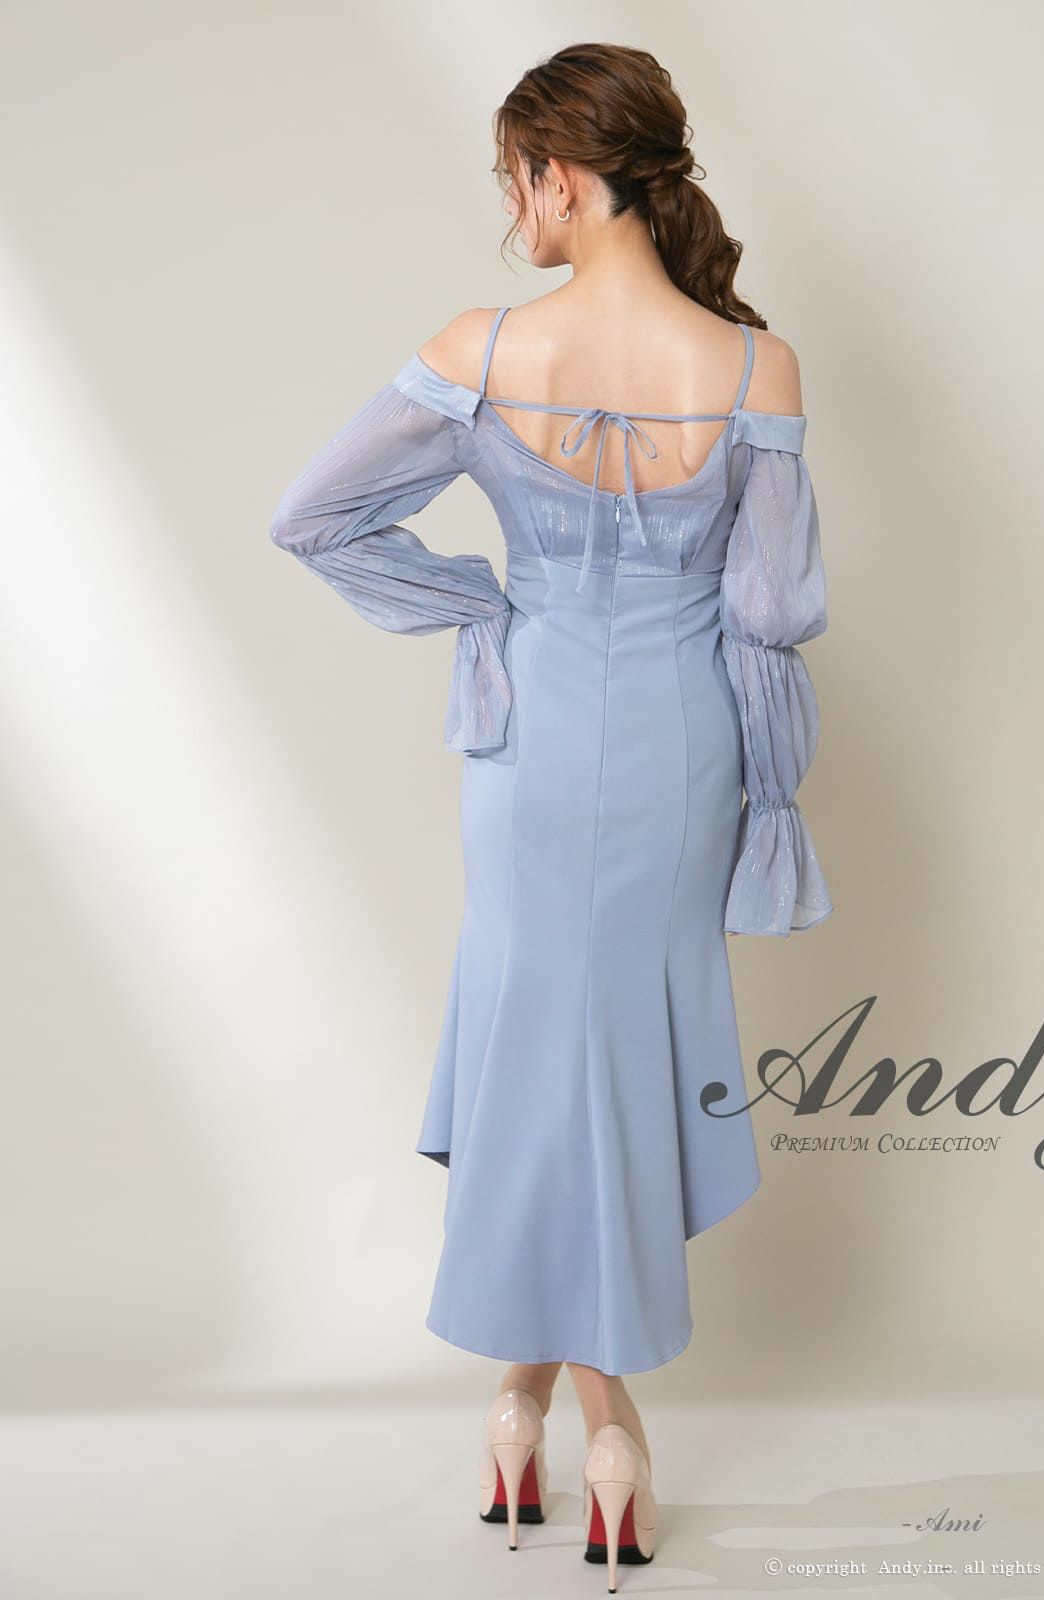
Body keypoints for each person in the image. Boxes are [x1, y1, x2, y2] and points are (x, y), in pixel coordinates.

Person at [268, 41, 832, 1590]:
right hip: (681, 747)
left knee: (542, 1043)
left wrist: (485, 606)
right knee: (608, 1050)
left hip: (534, 739)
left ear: (562, 178)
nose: (507, 209)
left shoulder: (482, 347)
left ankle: (584, 1419)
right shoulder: (757, 368)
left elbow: (312, 516)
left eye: (511, 179)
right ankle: (550, 1405)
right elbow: (771, 609)